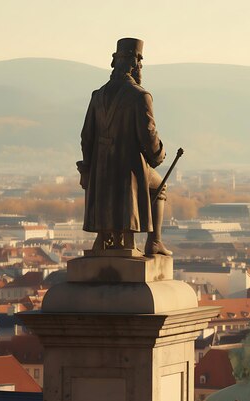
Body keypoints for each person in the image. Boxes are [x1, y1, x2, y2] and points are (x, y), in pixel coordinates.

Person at [77, 38, 172, 256]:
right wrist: (159, 154)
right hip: (129, 167)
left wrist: (89, 166)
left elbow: (86, 136)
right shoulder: (140, 96)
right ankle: (154, 242)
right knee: (159, 186)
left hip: (101, 169)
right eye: (140, 63)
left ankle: (104, 238)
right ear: (135, 63)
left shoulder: (98, 95)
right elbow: (148, 135)